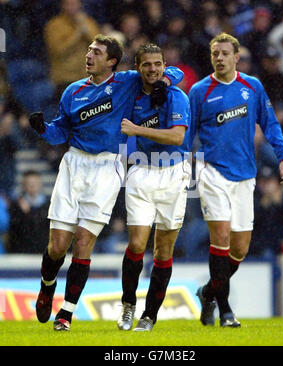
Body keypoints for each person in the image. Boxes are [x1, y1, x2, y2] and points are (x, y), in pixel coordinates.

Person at [28, 34, 183, 331]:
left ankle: (66, 313)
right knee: (57, 246)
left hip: (107, 167)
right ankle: (47, 285)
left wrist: (164, 83)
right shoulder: (73, 92)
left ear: (111, 61)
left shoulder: (127, 82)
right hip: (74, 164)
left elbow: (165, 71)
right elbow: (61, 131)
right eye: (88, 50)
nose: (88, 55)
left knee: (84, 242)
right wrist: (43, 129)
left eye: (96, 52)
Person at [188, 32, 283, 327]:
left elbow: (270, 125)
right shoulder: (199, 91)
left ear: (236, 57)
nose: (219, 58)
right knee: (220, 239)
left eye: (224, 53)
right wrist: (182, 162)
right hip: (212, 173)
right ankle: (225, 310)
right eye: (215, 54)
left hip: (246, 175)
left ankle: (208, 291)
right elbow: (186, 133)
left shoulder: (252, 87)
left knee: (239, 249)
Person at [117, 43, 191, 332]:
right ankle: (127, 306)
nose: (153, 69)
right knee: (136, 244)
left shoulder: (176, 95)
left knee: (163, 251)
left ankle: (149, 316)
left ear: (163, 65)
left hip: (174, 173)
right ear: (138, 67)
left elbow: (176, 138)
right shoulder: (130, 89)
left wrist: (137, 130)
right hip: (142, 171)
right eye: (146, 64)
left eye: (157, 64)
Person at [43, 0, 101, 101]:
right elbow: (58, 51)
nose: (72, 7)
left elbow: (99, 46)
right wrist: (77, 34)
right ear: (62, 6)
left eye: (74, 4)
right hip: (65, 79)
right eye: (68, 4)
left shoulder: (88, 22)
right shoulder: (54, 25)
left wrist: (85, 30)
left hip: (88, 78)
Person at [7, 170, 50, 254]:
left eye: (35, 183)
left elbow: (42, 229)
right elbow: (14, 230)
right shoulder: (16, 205)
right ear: (23, 185)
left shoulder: (49, 206)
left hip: (42, 252)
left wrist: (28, 212)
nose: (32, 186)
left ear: (40, 184)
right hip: (21, 252)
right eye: (29, 183)